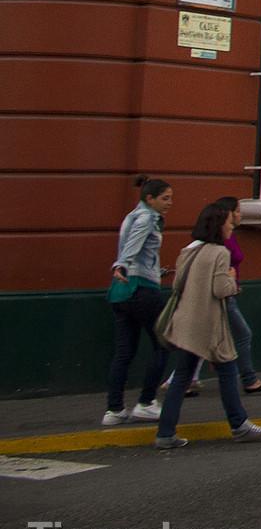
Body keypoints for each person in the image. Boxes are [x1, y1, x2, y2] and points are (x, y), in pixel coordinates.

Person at [150, 201, 261, 449]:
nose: (231, 227)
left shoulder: (189, 251)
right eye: (228, 222)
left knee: (182, 377)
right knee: (227, 373)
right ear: (219, 225)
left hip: (186, 322)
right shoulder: (219, 254)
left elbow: (177, 286)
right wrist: (231, 278)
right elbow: (221, 290)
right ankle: (240, 426)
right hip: (210, 326)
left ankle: (165, 432)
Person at [106, 175, 174, 426]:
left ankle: (114, 409)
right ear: (150, 198)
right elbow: (132, 248)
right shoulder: (148, 218)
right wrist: (121, 265)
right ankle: (146, 402)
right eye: (165, 198)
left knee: (124, 351)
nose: (169, 203)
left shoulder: (131, 216)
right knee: (163, 343)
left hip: (120, 292)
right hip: (141, 289)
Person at [209, 198, 261, 397]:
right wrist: (229, 283)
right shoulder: (221, 238)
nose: (240, 214)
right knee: (243, 334)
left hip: (229, 291)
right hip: (223, 294)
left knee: (209, 339)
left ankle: (182, 380)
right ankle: (249, 379)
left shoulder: (230, 235)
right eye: (237, 211)